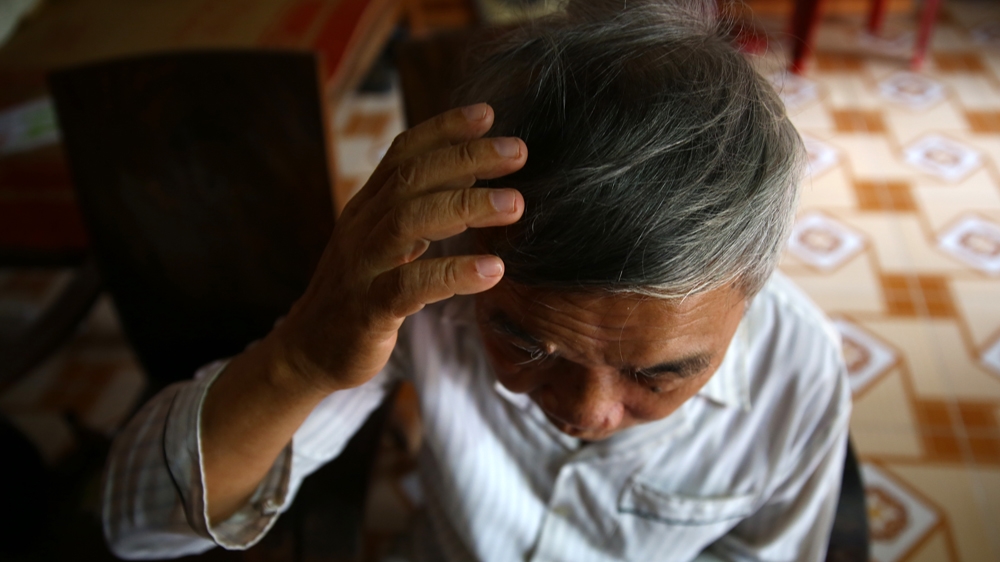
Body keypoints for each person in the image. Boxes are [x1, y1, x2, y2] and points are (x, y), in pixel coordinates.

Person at [102, 1, 851, 560]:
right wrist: (302, 358)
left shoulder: (800, 377)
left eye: (658, 374)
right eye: (525, 343)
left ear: (751, 289)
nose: (587, 411)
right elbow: (138, 528)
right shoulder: (430, 298)